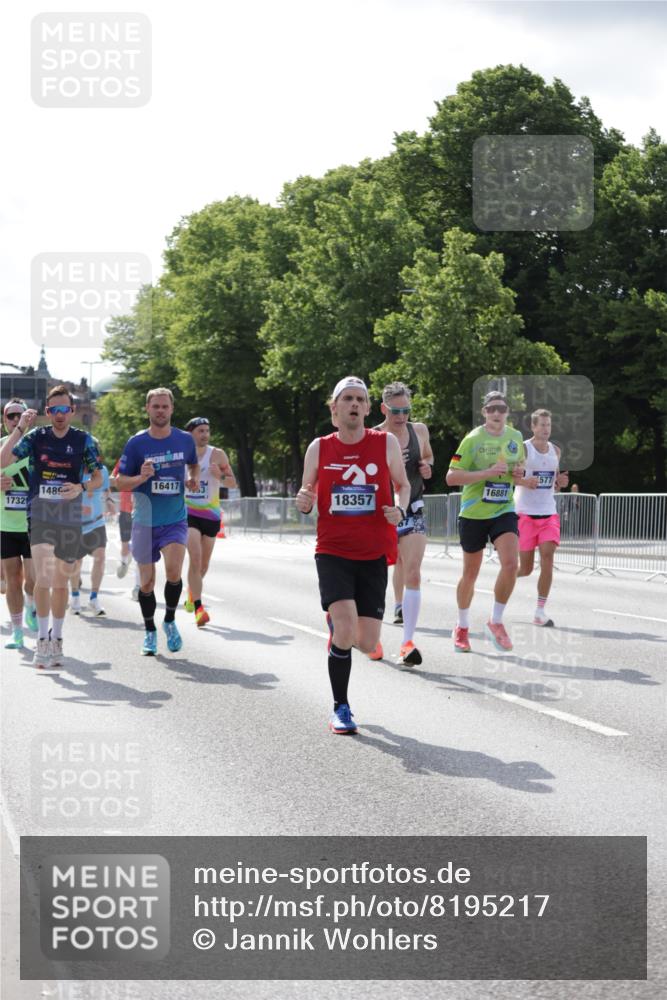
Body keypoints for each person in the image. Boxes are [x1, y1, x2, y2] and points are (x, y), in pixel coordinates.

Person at [295, 376, 410, 734]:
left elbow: (403, 486)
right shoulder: (319, 447)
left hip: (374, 552)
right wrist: (303, 501)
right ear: (335, 408)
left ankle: (338, 625)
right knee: (345, 631)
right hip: (333, 550)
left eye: (360, 398)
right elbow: (306, 490)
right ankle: (341, 707)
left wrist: (400, 510)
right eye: (347, 398)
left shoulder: (386, 443)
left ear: (367, 407)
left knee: (368, 642)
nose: (355, 404)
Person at [0, 386, 102, 668]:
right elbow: (3, 460)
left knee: (60, 582)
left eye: (64, 409)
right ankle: (41, 640)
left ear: (71, 410)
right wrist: (21, 427)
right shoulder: (35, 438)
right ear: (48, 412)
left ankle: (57, 639)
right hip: (40, 514)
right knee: (43, 578)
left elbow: (97, 477)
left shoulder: (84, 440)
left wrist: (80, 486)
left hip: (69, 517)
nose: (59, 415)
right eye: (54, 410)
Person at [114, 388, 198, 656]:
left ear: (172, 409)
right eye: (155, 406)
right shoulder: (136, 443)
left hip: (175, 519)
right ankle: (150, 630)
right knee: (147, 583)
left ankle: (170, 621)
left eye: (165, 406)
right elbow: (119, 482)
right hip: (145, 520)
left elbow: (193, 464)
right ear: (147, 409)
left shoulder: (185, 440)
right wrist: (140, 477)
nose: (160, 410)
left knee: (174, 573)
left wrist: (192, 478)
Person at [446, 390, 525, 653]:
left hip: (503, 509)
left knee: (512, 564)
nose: (496, 413)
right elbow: (451, 477)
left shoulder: (515, 438)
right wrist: (486, 473)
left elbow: (519, 471)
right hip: (474, 513)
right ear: (484, 412)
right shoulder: (472, 440)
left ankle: (496, 621)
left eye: (501, 408)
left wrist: (519, 473)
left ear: (507, 412)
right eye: (491, 408)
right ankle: (462, 626)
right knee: (470, 574)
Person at [375, 381, 433, 666]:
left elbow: (429, 456)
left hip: (413, 507)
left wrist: (427, 466)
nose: (401, 417)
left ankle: (407, 642)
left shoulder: (418, 430)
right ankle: (370, 631)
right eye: (396, 411)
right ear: (384, 408)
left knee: (413, 570)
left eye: (406, 410)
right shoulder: (374, 436)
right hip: (381, 513)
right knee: (375, 573)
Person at [516, 409, 568, 626]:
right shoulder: (524, 449)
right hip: (525, 514)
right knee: (525, 569)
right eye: (542, 425)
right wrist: (524, 482)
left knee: (547, 557)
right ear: (533, 427)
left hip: (549, 512)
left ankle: (540, 611)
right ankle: (505, 578)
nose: (546, 429)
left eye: (548, 425)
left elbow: (555, 481)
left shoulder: (556, 451)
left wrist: (560, 483)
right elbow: (510, 476)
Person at [183, 417, 236, 627]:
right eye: (200, 431)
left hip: (212, 516)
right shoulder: (183, 455)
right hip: (188, 513)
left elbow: (233, 482)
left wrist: (220, 477)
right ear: (191, 434)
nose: (205, 434)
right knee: (195, 559)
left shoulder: (218, 454)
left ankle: (191, 593)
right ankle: (199, 608)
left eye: (207, 430)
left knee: (203, 565)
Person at [0, 398, 37, 649]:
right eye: (10, 417)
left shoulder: (38, 444)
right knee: (12, 579)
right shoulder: (2, 447)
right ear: (4, 422)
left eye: (19, 416)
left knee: (33, 578)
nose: (15, 420)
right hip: (7, 525)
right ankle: (17, 631)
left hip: (34, 523)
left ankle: (31, 606)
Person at [70, 445, 112, 616]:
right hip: (75, 525)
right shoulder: (73, 471)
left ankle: (94, 597)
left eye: (95, 453)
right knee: (76, 562)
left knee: (100, 557)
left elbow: (106, 487)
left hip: (96, 523)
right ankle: (75, 597)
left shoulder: (102, 471)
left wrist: (109, 499)